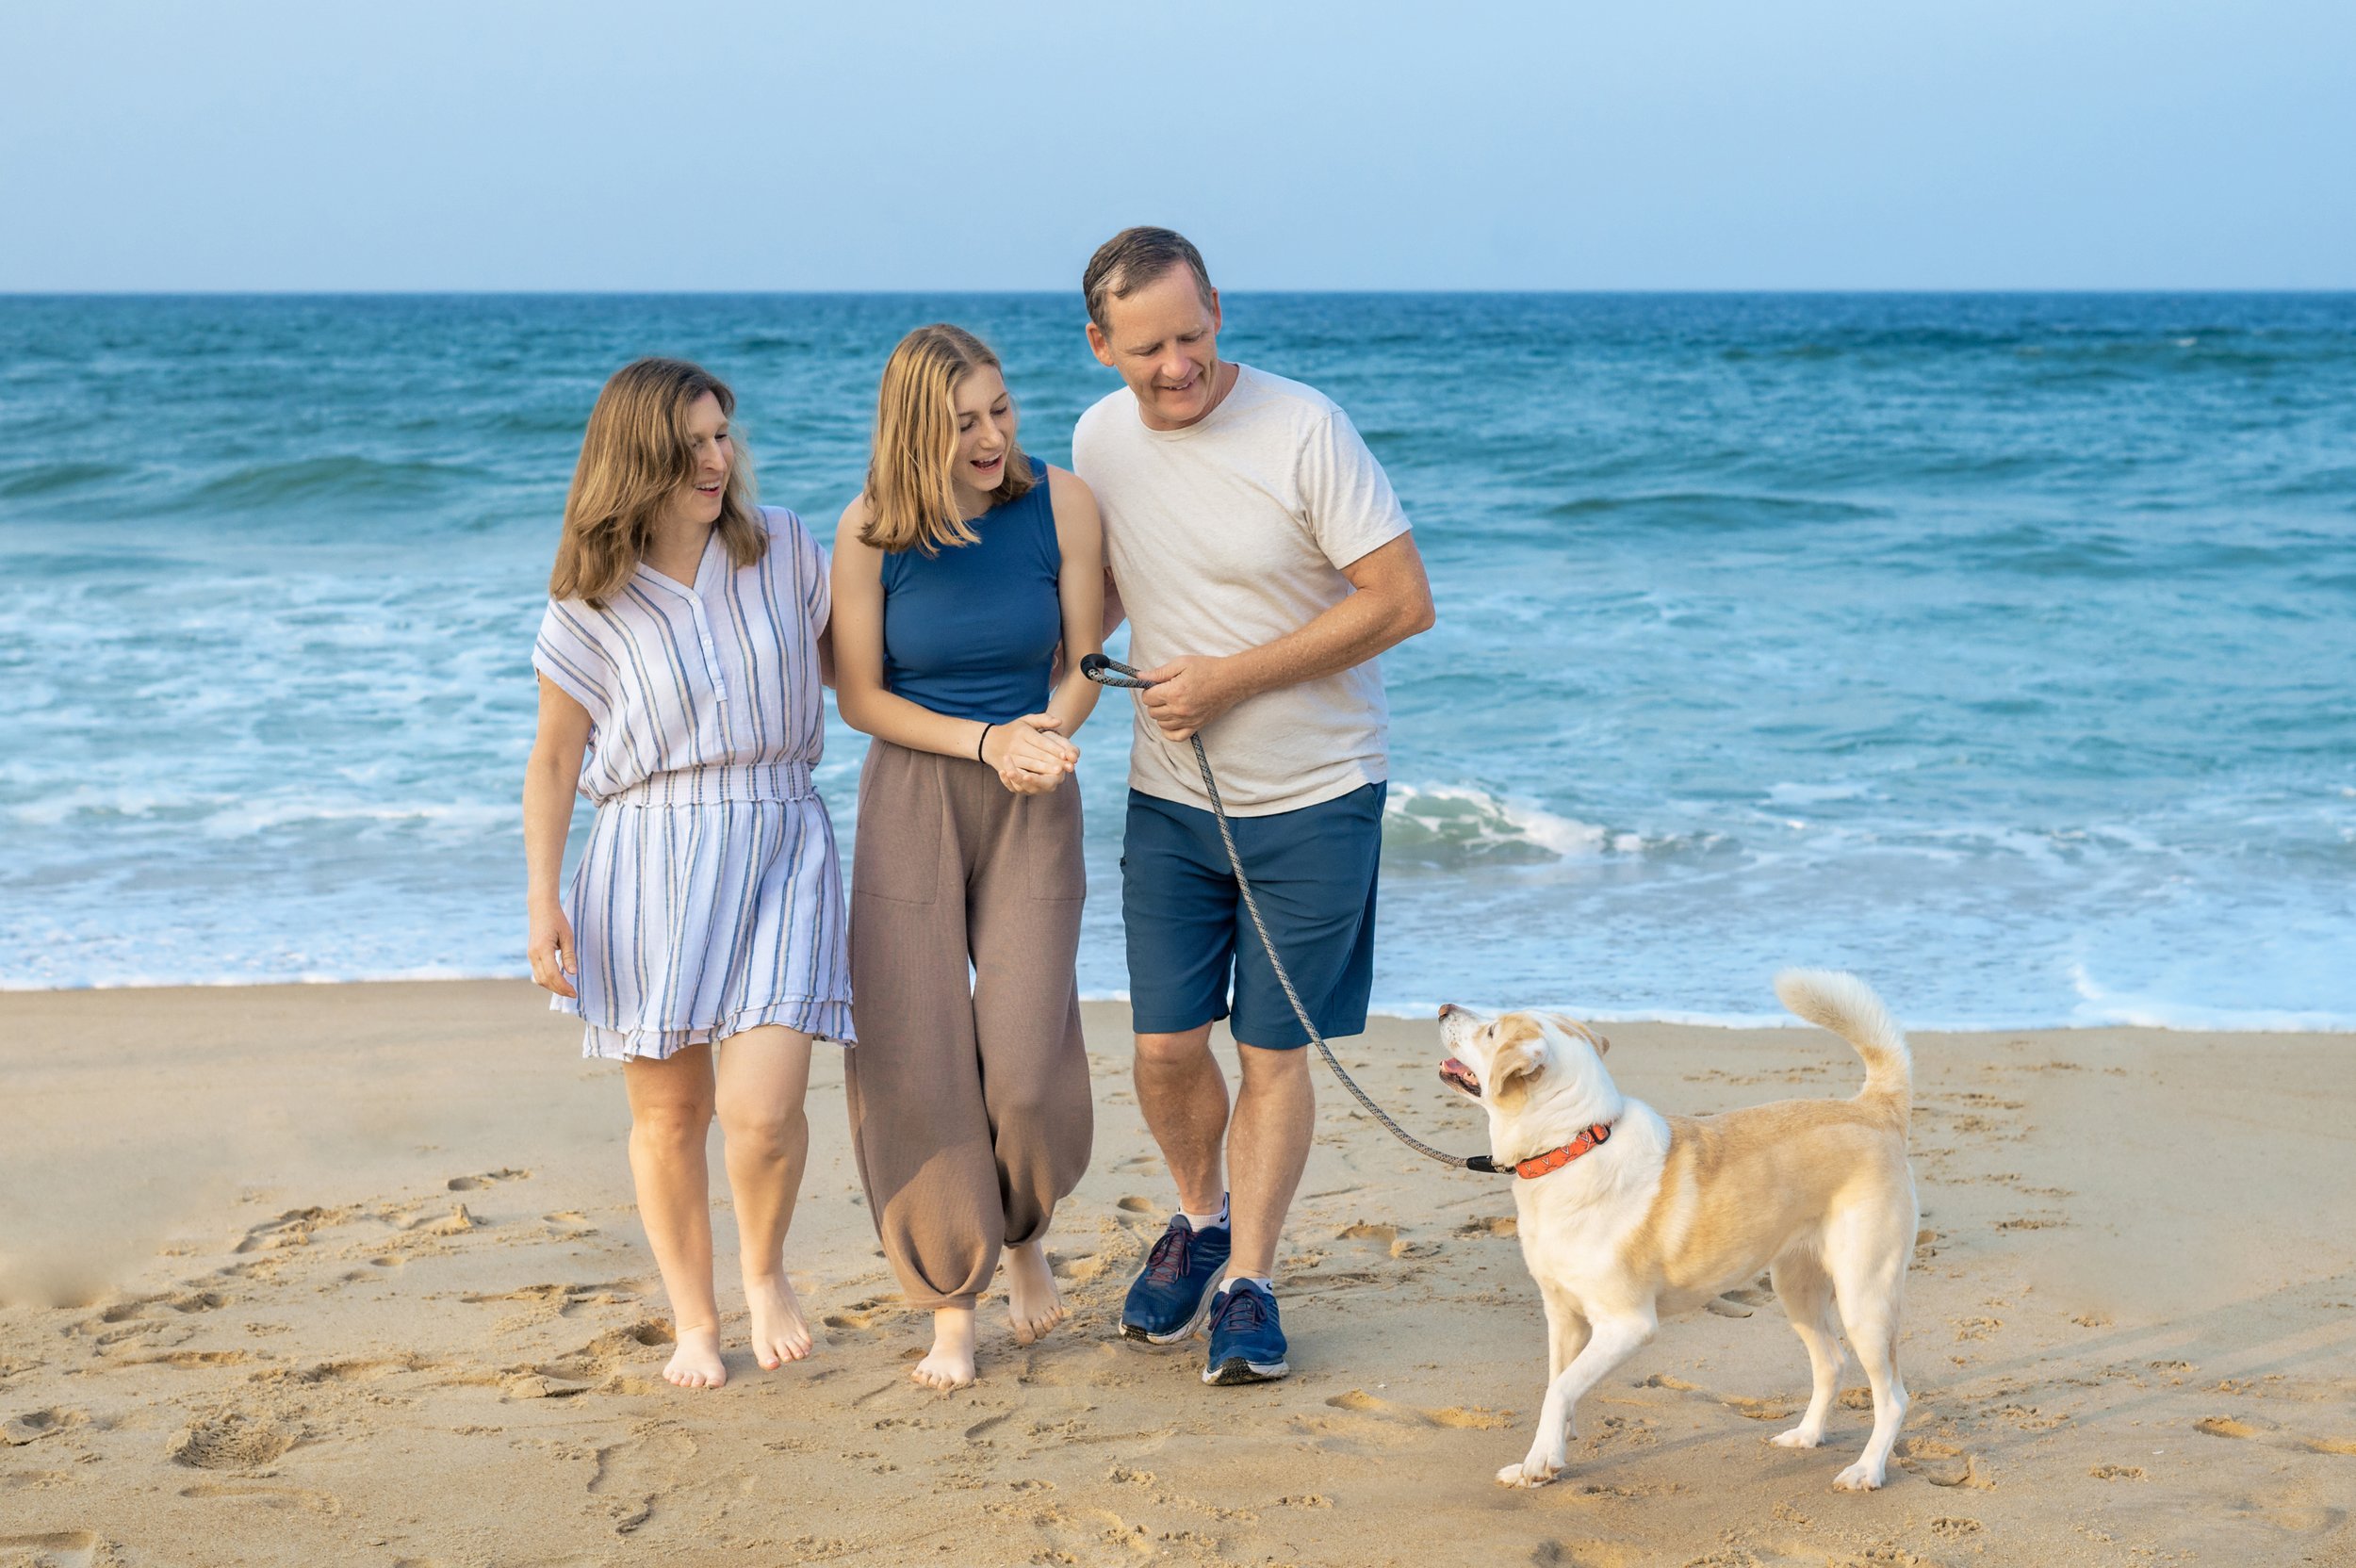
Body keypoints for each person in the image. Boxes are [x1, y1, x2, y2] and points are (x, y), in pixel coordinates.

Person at [1072, 228, 1435, 1385]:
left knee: (1273, 1053)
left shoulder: (1303, 427)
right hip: (1170, 799)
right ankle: (1200, 1214)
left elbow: (1401, 600)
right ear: (1100, 346)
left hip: (1319, 795)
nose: (1175, 364)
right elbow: (1109, 594)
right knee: (1166, 1045)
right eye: (1146, 348)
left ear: (1217, 310)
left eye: (1191, 334)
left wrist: (1229, 677)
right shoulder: (1095, 438)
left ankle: (1250, 1280)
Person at [522, 357, 852, 1391]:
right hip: (647, 853)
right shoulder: (590, 602)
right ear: (640, 459)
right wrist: (542, 900)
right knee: (669, 1115)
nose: (717, 459)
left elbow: (870, 669)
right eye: (693, 443)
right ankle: (695, 1321)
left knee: (761, 1108)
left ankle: (764, 1273)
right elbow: (554, 759)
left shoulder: (785, 546)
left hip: (784, 835)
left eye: (723, 437)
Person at [830, 324, 1107, 1391]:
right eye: (962, 422)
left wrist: (1045, 731)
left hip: (1035, 782)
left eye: (1000, 410)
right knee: (914, 1050)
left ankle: (1024, 1229)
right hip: (914, 786)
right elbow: (860, 696)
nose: (992, 435)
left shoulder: (1062, 503)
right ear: (915, 429)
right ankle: (949, 1298)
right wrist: (982, 740)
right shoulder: (868, 531)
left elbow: (1081, 656)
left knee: (1028, 1056)